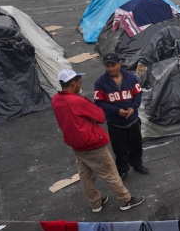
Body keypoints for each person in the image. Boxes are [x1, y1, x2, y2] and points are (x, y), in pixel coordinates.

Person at [51, 69, 144, 212]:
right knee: (111, 173)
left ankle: (95, 203)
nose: (81, 84)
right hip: (92, 143)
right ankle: (125, 200)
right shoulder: (76, 100)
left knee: (86, 175)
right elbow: (100, 117)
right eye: (79, 82)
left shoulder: (56, 99)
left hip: (76, 144)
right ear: (74, 83)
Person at [94, 53, 150, 181]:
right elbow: (100, 102)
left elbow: (138, 94)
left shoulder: (131, 78)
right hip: (115, 123)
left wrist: (133, 107)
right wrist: (116, 110)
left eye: (113, 65)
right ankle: (122, 169)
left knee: (136, 144)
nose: (110, 68)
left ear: (120, 64)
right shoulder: (100, 83)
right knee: (119, 148)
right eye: (107, 66)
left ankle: (137, 164)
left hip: (133, 120)